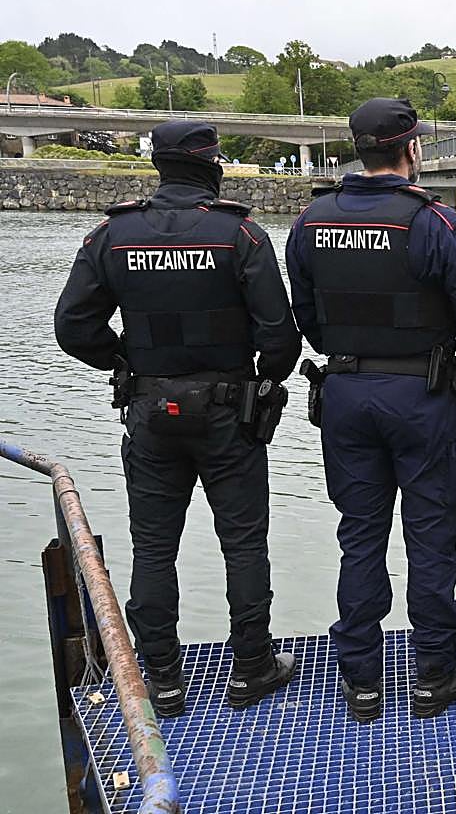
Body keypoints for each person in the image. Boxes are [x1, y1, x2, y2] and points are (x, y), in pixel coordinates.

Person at [53, 120, 302, 717]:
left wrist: (123, 360)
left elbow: (72, 327)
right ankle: (251, 668)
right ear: (212, 165)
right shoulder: (239, 234)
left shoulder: (112, 236)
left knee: (154, 547)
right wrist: (259, 382)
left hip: (150, 410)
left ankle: (160, 677)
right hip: (227, 412)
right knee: (243, 543)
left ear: (160, 167)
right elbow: (280, 337)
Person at [285, 98, 456, 723]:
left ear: (358, 148)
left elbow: (309, 322)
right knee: (430, 536)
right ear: (411, 149)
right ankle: (434, 670)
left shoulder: (310, 222)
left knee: (359, 534)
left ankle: (360, 678)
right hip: (423, 396)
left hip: (346, 393)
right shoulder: (432, 222)